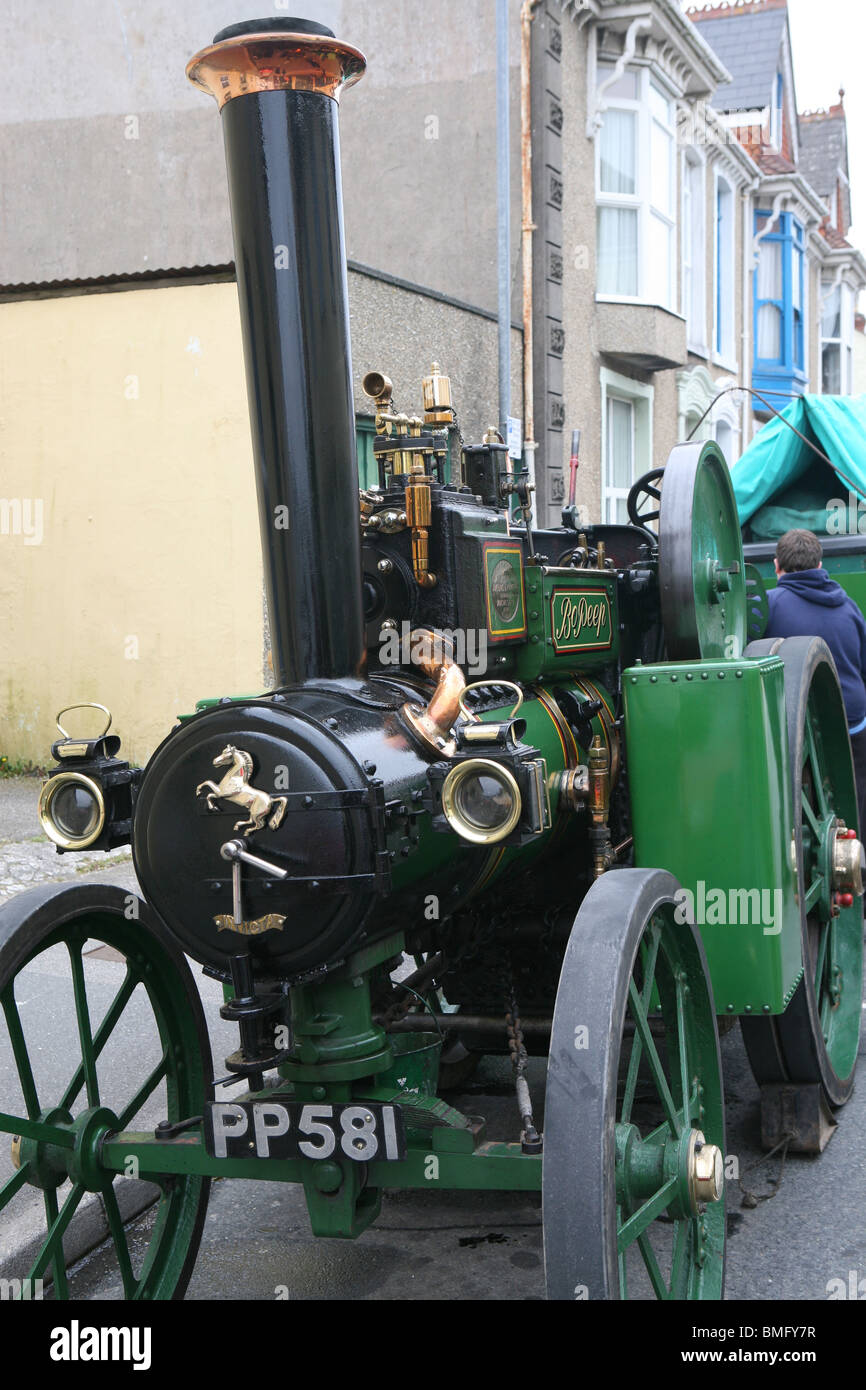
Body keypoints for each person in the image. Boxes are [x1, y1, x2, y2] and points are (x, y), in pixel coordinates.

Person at [765, 528, 866, 836]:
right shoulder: (849, 606)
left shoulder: (768, 606)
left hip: (802, 731)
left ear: (776, 566)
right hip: (853, 725)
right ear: (821, 565)